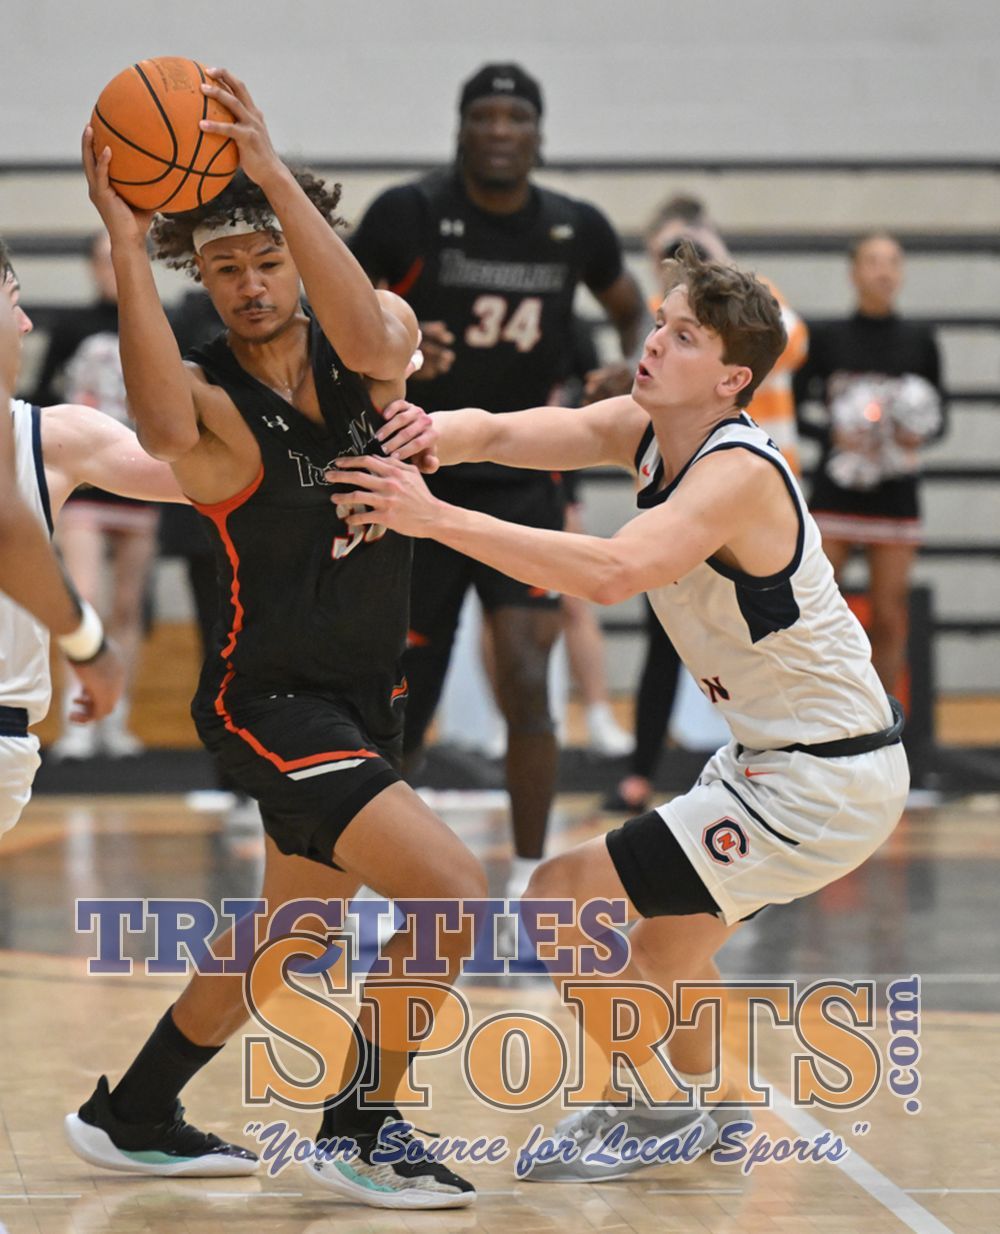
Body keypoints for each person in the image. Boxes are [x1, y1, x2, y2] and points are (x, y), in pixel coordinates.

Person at [334, 241, 909, 1179]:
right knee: (660, 953)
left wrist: (432, 517)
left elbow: (611, 572)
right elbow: (511, 433)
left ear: (731, 378)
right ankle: (711, 1110)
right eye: (657, 323)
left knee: (558, 902)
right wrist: (424, 432)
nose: (654, 344)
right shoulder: (645, 428)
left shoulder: (737, 472)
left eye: (684, 336)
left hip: (822, 773)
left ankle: (656, 1112)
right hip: (786, 760)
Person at [66, 68, 482, 1210]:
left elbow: (369, 325)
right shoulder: (208, 407)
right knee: (453, 894)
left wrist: (267, 176)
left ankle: (133, 1110)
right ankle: (362, 1124)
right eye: (221, 269)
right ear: (197, 282)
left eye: (263, 261)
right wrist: (122, 238)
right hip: (270, 702)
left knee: (291, 935)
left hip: (360, 698)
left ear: (299, 255)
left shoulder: (374, 349)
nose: (247, 285)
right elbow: (151, 425)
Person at [349, 63, 646, 902]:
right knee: (405, 690)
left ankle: (522, 876)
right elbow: (338, 309)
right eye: (486, 115)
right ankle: (383, 879)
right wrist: (399, 348)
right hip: (416, 468)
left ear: (538, 133)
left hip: (522, 474)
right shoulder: (409, 213)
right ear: (462, 127)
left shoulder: (573, 227)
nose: (502, 130)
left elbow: (628, 302)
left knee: (525, 672)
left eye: (518, 116)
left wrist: (626, 358)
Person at [604, 194, 810, 813]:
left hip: (758, 499)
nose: (679, 265)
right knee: (667, 635)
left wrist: (717, 265)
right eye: (665, 255)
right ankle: (644, 769)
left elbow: (791, 344)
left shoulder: (755, 310)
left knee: (762, 642)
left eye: (689, 249)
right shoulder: (664, 325)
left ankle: (779, 762)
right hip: (688, 494)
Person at [0, 237, 144, 835]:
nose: (28, 321)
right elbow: (10, 535)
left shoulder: (56, 437)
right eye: (13, 300)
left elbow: (213, 476)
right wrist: (90, 649)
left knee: (127, 602)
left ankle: (109, 729)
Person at [794, 230, 944, 695]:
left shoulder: (920, 340)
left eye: (893, 262)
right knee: (815, 605)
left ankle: (884, 723)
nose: (883, 271)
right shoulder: (827, 337)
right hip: (836, 489)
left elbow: (942, 422)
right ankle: (817, 707)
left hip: (895, 493)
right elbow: (795, 408)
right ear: (854, 272)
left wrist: (913, 433)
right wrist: (832, 435)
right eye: (873, 261)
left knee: (889, 614)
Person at [38, 235, 161, 760]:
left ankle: (116, 717)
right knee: (84, 597)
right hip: (86, 486)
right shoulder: (72, 328)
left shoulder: (156, 324)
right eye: (103, 259)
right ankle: (78, 718)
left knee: (128, 606)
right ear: (91, 267)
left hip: (140, 481)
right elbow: (43, 394)